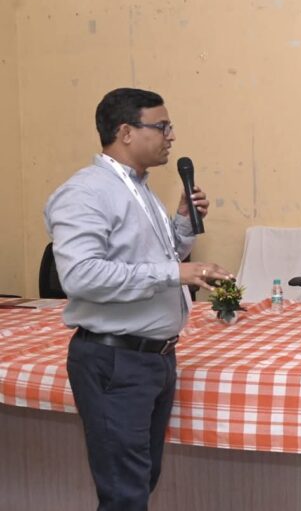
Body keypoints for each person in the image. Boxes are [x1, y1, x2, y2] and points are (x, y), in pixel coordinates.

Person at [44, 87, 233, 511]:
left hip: (153, 359)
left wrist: (182, 223)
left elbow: (161, 260)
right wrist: (177, 273)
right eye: (162, 126)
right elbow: (80, 276)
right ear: (126, 132)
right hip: (117, 361)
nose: (171, 136)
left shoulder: (138, 190)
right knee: (124, 493)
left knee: (139, 482)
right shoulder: (87, 193)